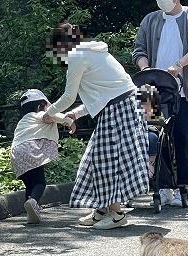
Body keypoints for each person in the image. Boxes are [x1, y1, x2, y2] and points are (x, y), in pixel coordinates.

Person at [45, 23, 149, 230]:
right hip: (125, 105)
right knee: (94, 159)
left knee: (107, 162)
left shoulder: (77, 56)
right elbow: (104, 93)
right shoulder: (93, 51)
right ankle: (102, 209)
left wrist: (48, 114)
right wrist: (75, 113)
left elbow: (68, 96)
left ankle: (117, 214)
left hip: (118, 109)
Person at [133, 0, 188, 207]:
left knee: (183, 137)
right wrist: (145, 69)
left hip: (185, 88)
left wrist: (179, 65)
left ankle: (183, 186)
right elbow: (139, 50)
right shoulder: (150, 20)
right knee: (156, 137)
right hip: (150, 91)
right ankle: (163, 186)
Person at [10, 89, 75, 224]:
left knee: (30, 184)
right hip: (30, 149)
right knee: (40, 182)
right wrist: (69, 121)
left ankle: (31, 212)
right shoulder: (40, 115)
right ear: (40, 106)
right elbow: (52, 116)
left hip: (16, 153)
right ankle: (33, 202)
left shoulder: (23, 121)